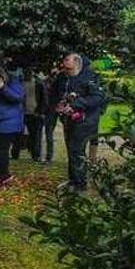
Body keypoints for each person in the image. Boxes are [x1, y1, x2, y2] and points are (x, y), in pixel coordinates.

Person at [51, 53, 106, 192]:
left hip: (85, 121)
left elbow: (98, 98)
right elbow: (55, 94)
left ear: (76, 62)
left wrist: (77, 103)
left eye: (66, 59)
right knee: (72, 150)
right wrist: (59, 105)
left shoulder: (90, 77)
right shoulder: (63, 78)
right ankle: (73, 180)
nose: (63, 62)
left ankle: (80, 184)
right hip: (68, 120)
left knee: (76, 150)